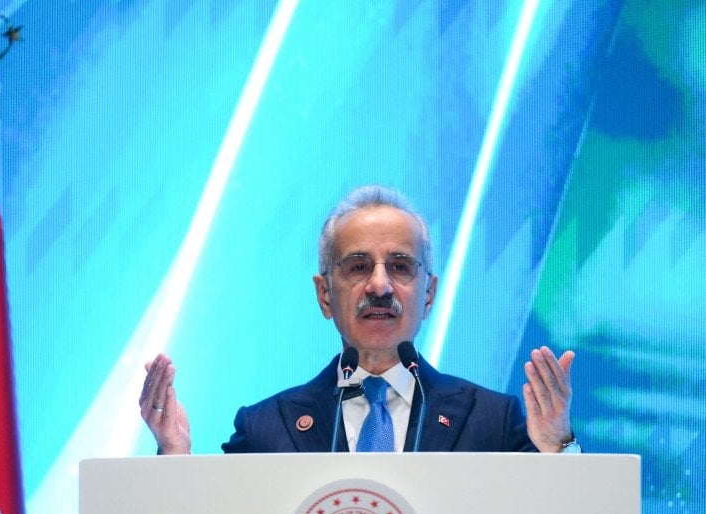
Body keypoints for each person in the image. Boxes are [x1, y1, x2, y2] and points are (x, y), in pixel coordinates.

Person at [139, 185, 577, 455]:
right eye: (357, 267)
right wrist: (174, 456)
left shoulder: (491, 420)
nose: (380, 285)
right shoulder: (265, 429)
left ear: (428, 294)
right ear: (324, 294)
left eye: (401, 266)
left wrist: (558, 446)